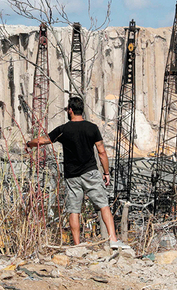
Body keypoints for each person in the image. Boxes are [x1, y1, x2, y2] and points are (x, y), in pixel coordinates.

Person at [25, 96, 129, 249]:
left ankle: (77, 245)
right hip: (90, 173)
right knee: (103, 205)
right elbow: (102, 152)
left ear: (70, 110)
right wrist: (106, 172)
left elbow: (41, 140)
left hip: (71, 176)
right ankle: (113, 239)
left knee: (74, 210)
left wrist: (29, 144)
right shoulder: (92, 128)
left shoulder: (63, 130)